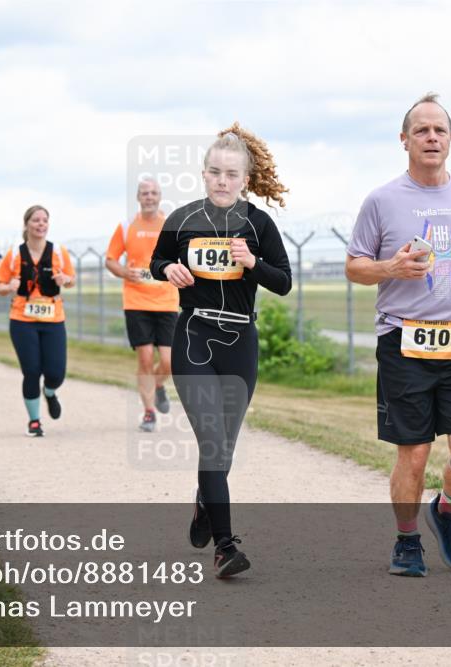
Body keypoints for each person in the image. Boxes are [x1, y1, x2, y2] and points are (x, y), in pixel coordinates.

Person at [345, 93, 451, 578]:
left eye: (440, 130)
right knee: (414, 451)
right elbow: (354, 267)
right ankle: (407, 542)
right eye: (422, 130)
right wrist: (390, 267)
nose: (431, 137)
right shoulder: (382, 200)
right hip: (403, 341)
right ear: (404, 139)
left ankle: (446, 510)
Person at [150, 123, 292, 578]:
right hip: (192, 336)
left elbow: (284, 282)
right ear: (204, 174)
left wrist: (253, 263)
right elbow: (157, 261)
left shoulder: (259, 224)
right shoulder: (182, 219)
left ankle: (204, 501)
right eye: (215, 172)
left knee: (223, 449)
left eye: (232, 174)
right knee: (212, 441)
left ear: (245, 179)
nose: (222, 181)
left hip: (239, 341)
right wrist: (169, 268)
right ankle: (225, 547)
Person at [106, 179, 180, 432]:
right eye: (144, 193)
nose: (149, 197)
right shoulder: (127, 226)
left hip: (167, 300)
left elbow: (183, 257)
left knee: (170, 362)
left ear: (160, 197)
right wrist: (125, 273)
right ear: (138, 197)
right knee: (146, 358)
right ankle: (149, 412)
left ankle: (158, 385)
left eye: (154, 193)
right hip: (136, 300)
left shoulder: (170, 225)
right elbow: (110, 260)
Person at [0, 205, 75, 437]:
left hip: (53, 317)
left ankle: (49, 393)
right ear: (27, 224)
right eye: (36, 220)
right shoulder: (14, 254)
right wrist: (7, 287)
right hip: (22, 318)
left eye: (44, 220)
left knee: (56, 372)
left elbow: (71, 281)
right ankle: (34, 421)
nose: (41, 224)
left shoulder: (59, 252)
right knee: (31, 370)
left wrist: (65, 279)